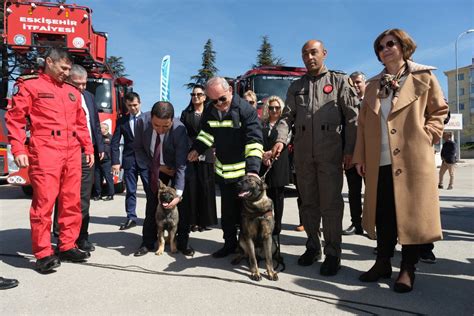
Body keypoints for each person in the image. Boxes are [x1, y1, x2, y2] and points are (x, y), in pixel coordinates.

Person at [353, 28, 448, 293]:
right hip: (379, 159)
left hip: (412, 158)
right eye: (380, 47)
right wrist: (360, 156)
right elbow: (361, 125)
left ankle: (408, 268)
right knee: (383, 215)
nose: (385, 49)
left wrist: (428, 135)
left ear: (404, 46)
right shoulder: (372, 85)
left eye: (390, 44)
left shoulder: (423, 76)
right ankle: (382, 261)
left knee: (410, 214)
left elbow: (439, 110)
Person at [272, 40, 359, 276]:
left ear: (324, 54)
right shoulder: (296, 86)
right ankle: (313, 246)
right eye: (305, 54)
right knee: (308, 203)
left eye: (314, 52)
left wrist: (350, 150)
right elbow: (286, 118)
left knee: (331, 205)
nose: (309, 57)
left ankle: (333, 253)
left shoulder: (339, 82)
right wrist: (280, 140)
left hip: (330, 154)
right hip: (302, 156)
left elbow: (352, 119)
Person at [6, 48, 93, 273]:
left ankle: (67, 245)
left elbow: (81, 123)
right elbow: (15, 119)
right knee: (44, 202)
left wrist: (88, 147)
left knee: (71, 201)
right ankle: (43, 252)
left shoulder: (72, 92)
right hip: (45, 150)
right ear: (49, 62)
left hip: (72, 151)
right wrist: (18, 149)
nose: (67, 72)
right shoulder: (30, 85)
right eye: (63, 68)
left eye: (68, 68)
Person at [188, 77, 263, 258]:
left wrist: (252, 171)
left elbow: (254, 141)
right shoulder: (210, 110)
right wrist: (197, 149)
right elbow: (207, 133)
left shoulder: (245, 110)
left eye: (222, 99)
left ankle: (249, 249)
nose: (219, 104)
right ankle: (229, 244)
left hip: (244, 176)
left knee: (247, 215)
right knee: (227, 214)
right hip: (223, 173)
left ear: (230, 90)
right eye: (214, 101)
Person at [133, 101, 192, 256]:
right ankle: (147, 242)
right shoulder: (141, 122)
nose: (160, 130)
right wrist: (157, 167)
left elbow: (181, 166)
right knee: (152, 203)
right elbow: (138, 150)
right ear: (150, 118)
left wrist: (178, 195)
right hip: (154, 168)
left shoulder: (180, 130)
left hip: (175, 167)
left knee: (182, 207)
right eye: (156, 125)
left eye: (165, 126)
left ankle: (182, 243)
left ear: (172, 120)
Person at [61, 64, 105, 252]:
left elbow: (95, 124)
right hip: (67, 149)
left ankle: (82, 236)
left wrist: (99, 147)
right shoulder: (62, 94)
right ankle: (61, 235)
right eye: (76, 84)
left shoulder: (89, 97)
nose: (81, 88)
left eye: (84, 84)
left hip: (88, 152)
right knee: (63, 196)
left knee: (83, 196)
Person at [180, 85, 217, 233]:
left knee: (206, 188)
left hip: (207, 153)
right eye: (193, 94)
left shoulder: (211, 113)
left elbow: (215, 131)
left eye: (199, 94)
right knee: (192, 189)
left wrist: (210, 148)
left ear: (204, 97)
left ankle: (205, 221)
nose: (195, 97)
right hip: (190, 154)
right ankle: (192, 221)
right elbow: (183, 133)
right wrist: (193, 150)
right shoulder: (185, 113)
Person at [111, 92, 144, 230]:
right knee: (130, 190)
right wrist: (115, 162)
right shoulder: (122, 121)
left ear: (140, 103)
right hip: (129, 160)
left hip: (145, 161)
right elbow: (114, 143)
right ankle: (131, 217)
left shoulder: (148, 119)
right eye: (130, 105)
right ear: (126, 105)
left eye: (135, 105)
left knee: (151, 190)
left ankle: (153, 218)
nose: (133, 108)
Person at [260, 96, 289, 236]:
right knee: (266, 196)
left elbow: (286, 141)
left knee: (278, 196)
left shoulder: (284, 124)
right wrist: (263, 155)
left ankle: (277, 225)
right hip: (264, 163)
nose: (274, 110)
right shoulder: (262, 124)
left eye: (277, 107)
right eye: (271, 107)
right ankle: (267, 223)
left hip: (279, 163)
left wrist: (271, 154)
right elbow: (257, 141)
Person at [342, 71, 366, 236]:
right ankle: (356, 223)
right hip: (351, 154)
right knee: (353, 192)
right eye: (352, 83)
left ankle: (372, 224)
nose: (355, 85)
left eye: (358, 82)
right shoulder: (345, 104)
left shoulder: (373, 101)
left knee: (372, 192)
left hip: (369, 155)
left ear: (364, 83)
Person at [93, 123, 114, 201]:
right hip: (97, 161)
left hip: (107, 161)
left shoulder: (111, 138)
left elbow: (114, 150)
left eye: (101, 128)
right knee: (97, 179)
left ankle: (110, 195)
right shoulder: (97, 138)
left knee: (108, 178)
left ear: (105, 129)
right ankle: (98, 194)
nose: (100, 129)